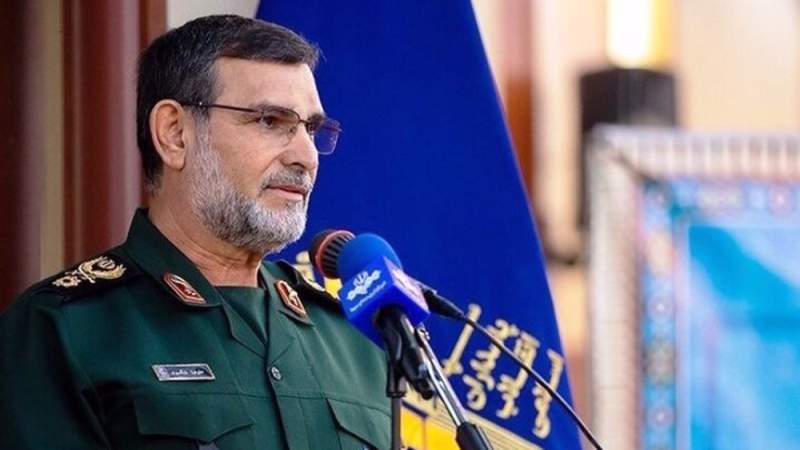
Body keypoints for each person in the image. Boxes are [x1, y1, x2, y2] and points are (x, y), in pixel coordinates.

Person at [0, 15, 389, 450]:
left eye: (311, 129)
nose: (306, 156)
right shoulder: (65, 330)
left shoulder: (354, 342)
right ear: (175, 134)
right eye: (269, 121)